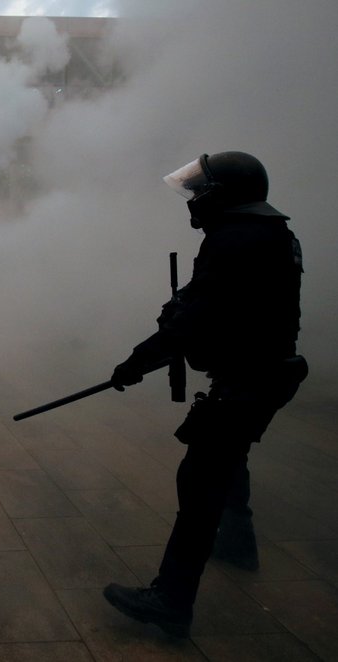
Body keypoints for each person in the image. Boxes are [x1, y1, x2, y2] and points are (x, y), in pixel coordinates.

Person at [102, 151, 306, 638]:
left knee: (200, 483)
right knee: (228, 459)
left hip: (248, 380)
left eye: (199, 192)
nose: (193, 201)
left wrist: (136, 361)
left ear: (222, 195)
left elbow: (197, 318)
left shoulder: (235, 239)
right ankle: (238, 542)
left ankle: (171, 601)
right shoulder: (274, 234)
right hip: (263, 376)